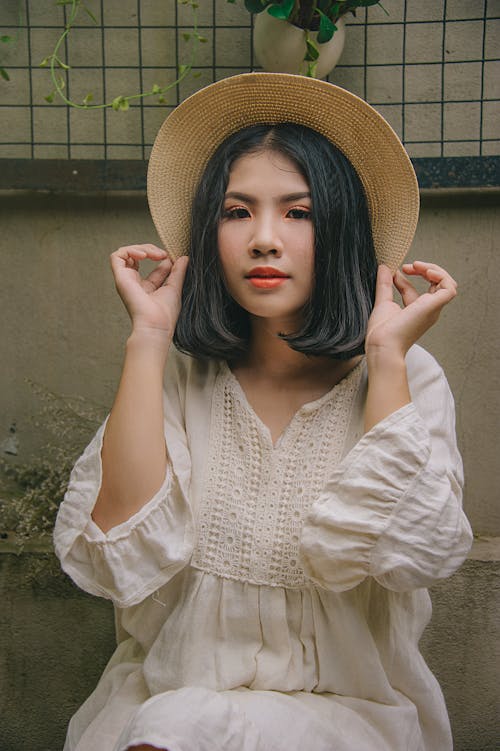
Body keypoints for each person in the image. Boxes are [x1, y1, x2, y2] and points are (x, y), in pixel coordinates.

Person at [54, 73, 472, 751]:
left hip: (345, 710)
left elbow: (411, 556)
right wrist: (149, 339)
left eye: (298, 212)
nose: (265, 239)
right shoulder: (178, 373)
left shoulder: (407, 376)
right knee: (172, 726)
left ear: (337, 227)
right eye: (237, 211)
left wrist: (388, 357)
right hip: (164, 700)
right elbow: (116, 556)